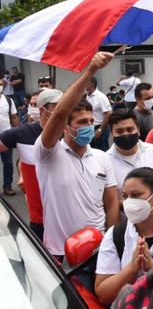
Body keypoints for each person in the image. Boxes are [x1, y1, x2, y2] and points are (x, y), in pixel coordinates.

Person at [33, 52, 119, 259]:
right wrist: (91, 70)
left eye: (91, 121)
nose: (89, 126)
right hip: (61, 251)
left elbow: (112, 202)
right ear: (66, 127)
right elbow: (61, 113)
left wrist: (111, 240)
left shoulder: (102, 157)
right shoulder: (48, 153)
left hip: (99, 248)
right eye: (82, 122)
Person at [95, 167, 153, 306]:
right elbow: (103, 294)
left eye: (136, 195)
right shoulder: (116, 235)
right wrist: (131, 269)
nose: (129, 202)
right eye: (125, 196)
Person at [0, 88, 62, 238]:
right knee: (44, 260)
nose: (64, 109)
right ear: (43, 109)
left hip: (69, 214)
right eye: (58, 106)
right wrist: (22, 169)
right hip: (40, 217)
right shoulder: (22, 133)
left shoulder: (73, 132)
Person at [106, 109, 153, 202]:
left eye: (130, 129)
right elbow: (107, 201)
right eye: (119, 131)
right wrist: (129, 208)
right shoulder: (105, 161)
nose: (126, 134)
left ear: (138, 130)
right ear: (112, 134)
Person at [0, 83, 19, 195]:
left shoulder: (8, 100)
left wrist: (17, 134)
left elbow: (14, 117)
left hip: (6, 136)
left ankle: (7, 186)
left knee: (8, 163)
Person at [86, 76, 112, 152]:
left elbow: (108, 114)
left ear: (91, 84)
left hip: (100, 128)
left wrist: (100, 130)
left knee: (102, 151)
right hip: (91, 128)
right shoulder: (88, 96)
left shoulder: (101, 97)